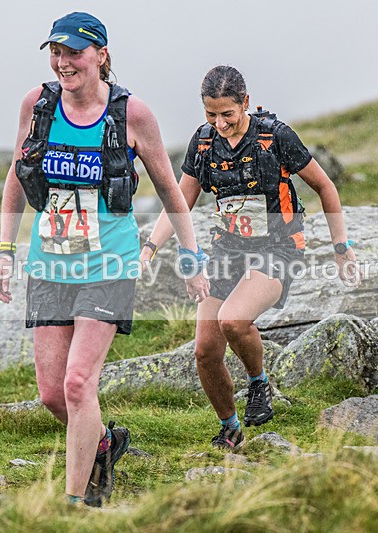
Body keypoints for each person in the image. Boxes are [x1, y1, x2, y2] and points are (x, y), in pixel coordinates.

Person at [0, 12, 209, 507]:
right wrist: (4, 250)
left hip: (109, 264)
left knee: (77, 382)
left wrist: (191, 254)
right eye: (56, 52)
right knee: (51, 394)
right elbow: (15, 177)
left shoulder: (132, 115)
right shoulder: (37, 104)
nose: (63, 62)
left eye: (74, 52)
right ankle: (104, 445)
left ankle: (75, 501)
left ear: (101, 55)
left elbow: (171, 190)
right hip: (50, 263)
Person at [140, 65, 360, 450]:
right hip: (229, 250)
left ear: (245, 102)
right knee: (205, 351)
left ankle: (259, 383)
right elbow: (179, 201)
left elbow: (325, 186)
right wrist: (150, 247)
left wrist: (340, 246)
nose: (220, 123)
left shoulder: (275, 137)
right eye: (211, 115)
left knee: (233, 319)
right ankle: (230, 427)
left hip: (279, 249)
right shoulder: (205, 143)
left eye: (227, 113)